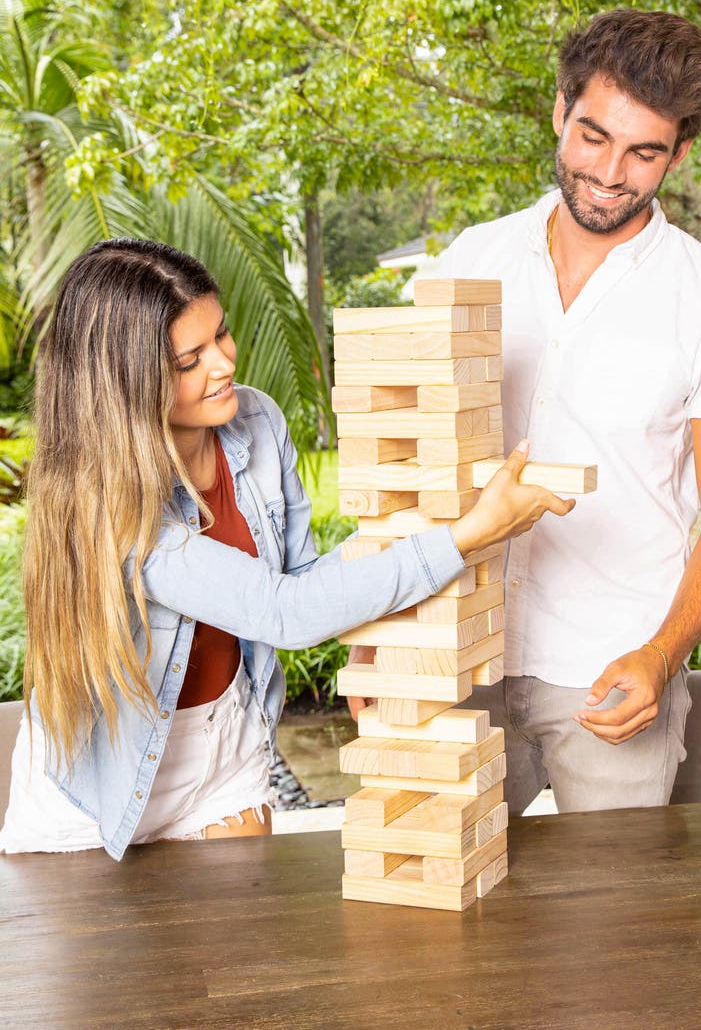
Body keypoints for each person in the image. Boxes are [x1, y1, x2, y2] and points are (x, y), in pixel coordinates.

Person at [0, 239, 574, 860]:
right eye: (190, 360)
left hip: (223, 753)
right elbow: (284, 610)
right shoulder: (106, 501)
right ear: (125, 384)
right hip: (102, 781)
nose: (224, 364)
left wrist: (382, 602)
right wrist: (468, 536)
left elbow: (304, 575)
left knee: (247, 925)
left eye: (221, 334)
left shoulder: (257, 421)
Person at [433, 8, 701, 814]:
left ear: (680, 153)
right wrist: (385, 641)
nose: (610, 172)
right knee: (437, 896)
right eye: (593, 137)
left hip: (614, 669)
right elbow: (405, 464)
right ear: (560, 110)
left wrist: (661, 656)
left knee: (616, 899)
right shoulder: (468, 261)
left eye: (643, 152)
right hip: (460, 657)